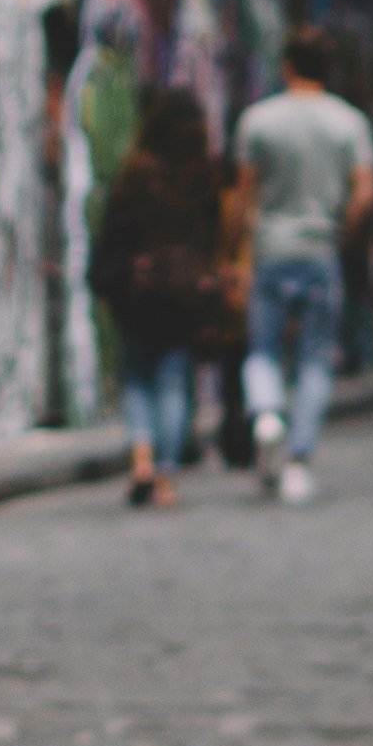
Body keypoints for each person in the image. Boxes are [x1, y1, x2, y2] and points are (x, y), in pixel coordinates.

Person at [228, 27, 373, 503]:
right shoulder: (348, 122)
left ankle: (268, 411)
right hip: (320, 249)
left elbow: (243, 194)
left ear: (288, 65)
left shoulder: (259, 120)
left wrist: (234, 250)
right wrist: (345, 231)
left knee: (263, 349)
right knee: (316, 357)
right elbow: (365, 192)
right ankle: (298, 457)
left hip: (271, 248)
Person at [89, 90, 236, 507]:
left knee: (137, 378)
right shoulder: (204, 175)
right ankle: (166, 477)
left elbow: (115, 231)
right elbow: (215, 234)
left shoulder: (137, 171)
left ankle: (141, 456)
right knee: (173, 383)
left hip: (140, 290)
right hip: (186, 292)